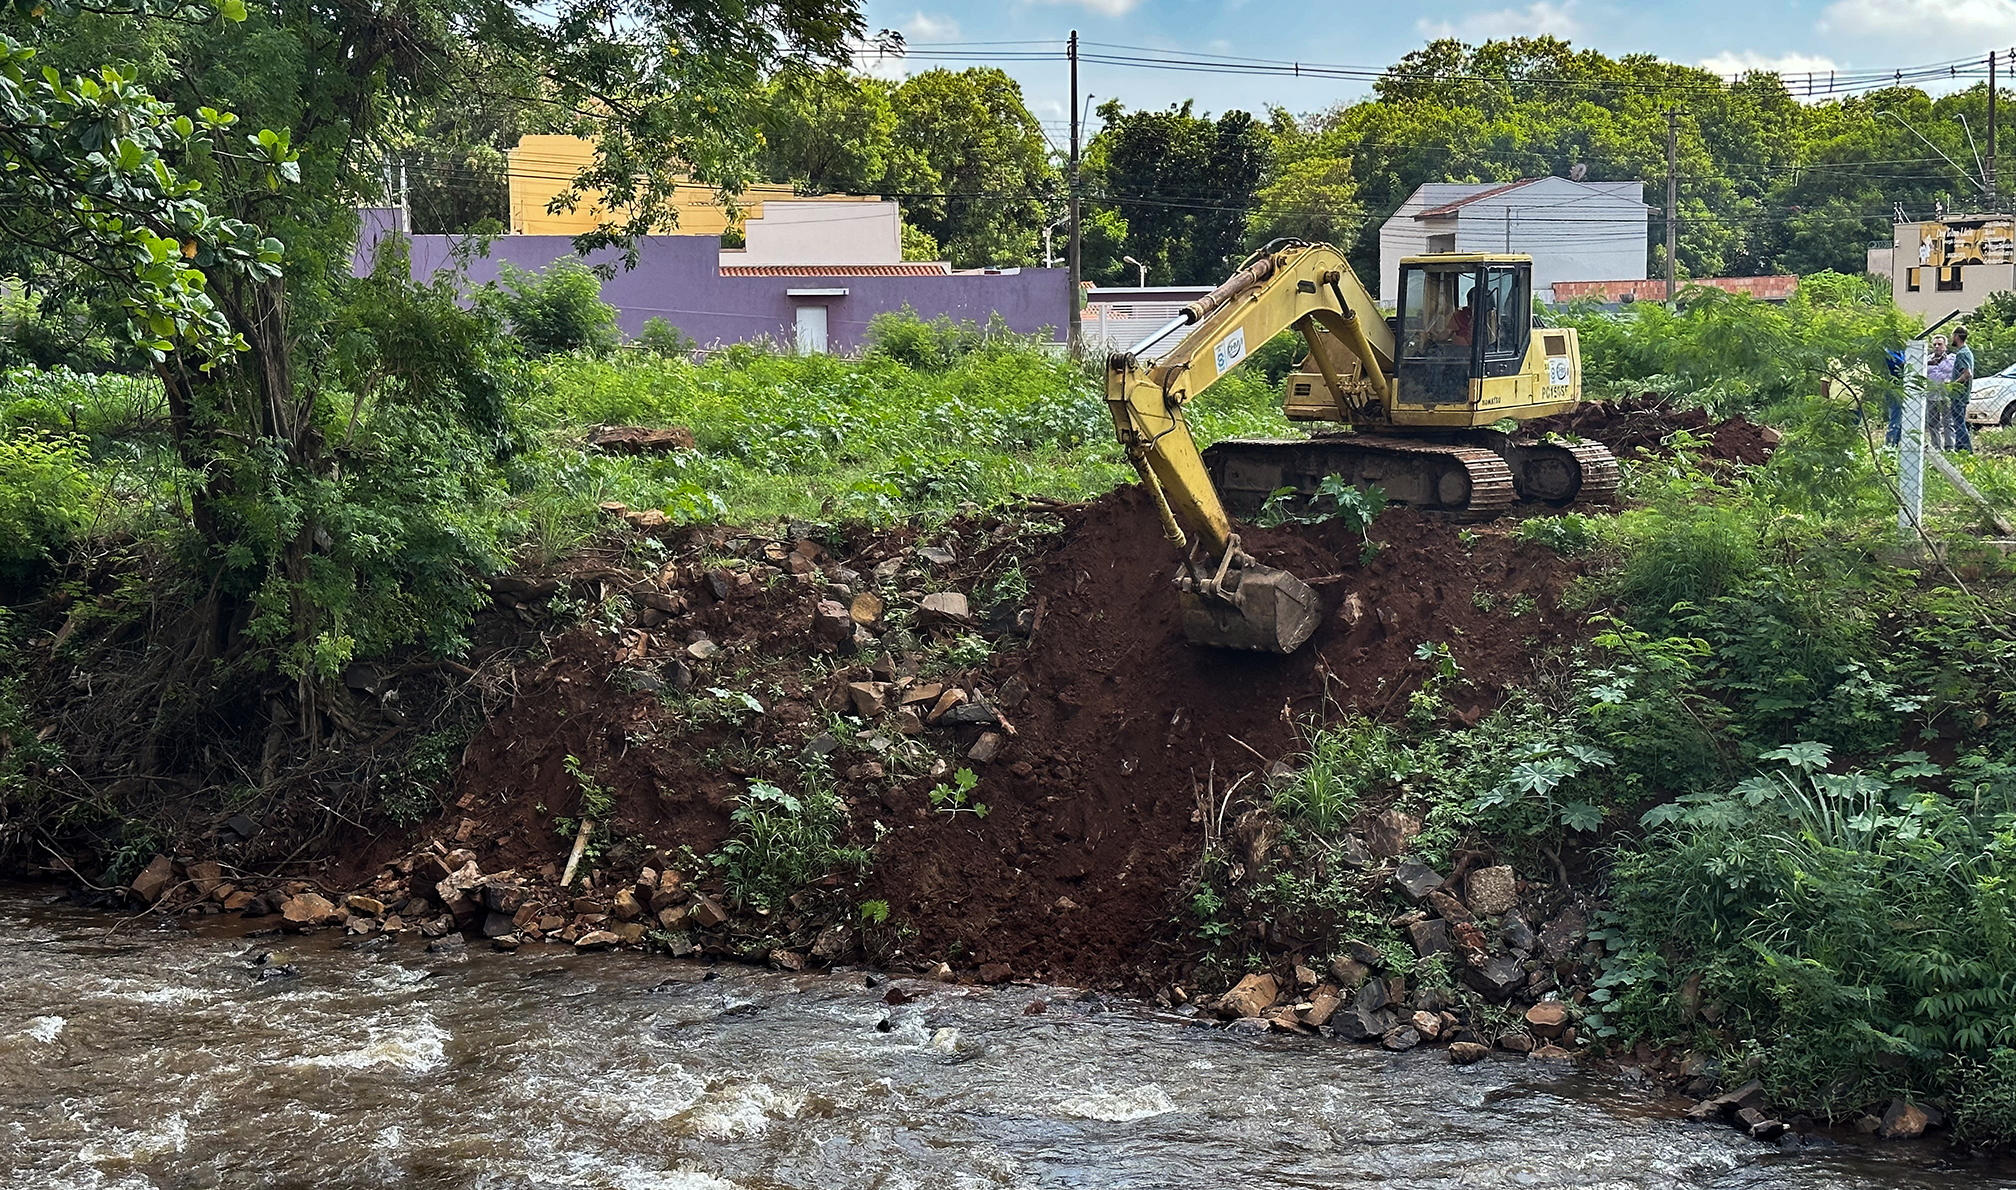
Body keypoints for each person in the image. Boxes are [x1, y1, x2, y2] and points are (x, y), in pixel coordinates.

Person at [1949, 326, 1976, 452]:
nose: (1951, 338)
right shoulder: (1967, 352)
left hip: (1959, 395)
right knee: (1958, 422)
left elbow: (1967, 373)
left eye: (1952, 336)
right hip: (1961, 395)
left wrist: (1953, 385)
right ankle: (1959, 449)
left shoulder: (1962, 354)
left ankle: (1967, 449)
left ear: (1956, 337)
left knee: (1959, 423)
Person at [1926, 335, 1954, 448]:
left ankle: (1950, 447)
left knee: (1948, 422)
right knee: (1932, 423)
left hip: (1946, 395)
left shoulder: (1952, 359)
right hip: (1931, 395)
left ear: (1945, 346)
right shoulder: (1927, 359)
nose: (1937, 347)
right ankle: (1936, 446)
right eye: (1935, 345)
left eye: (1940, 344)